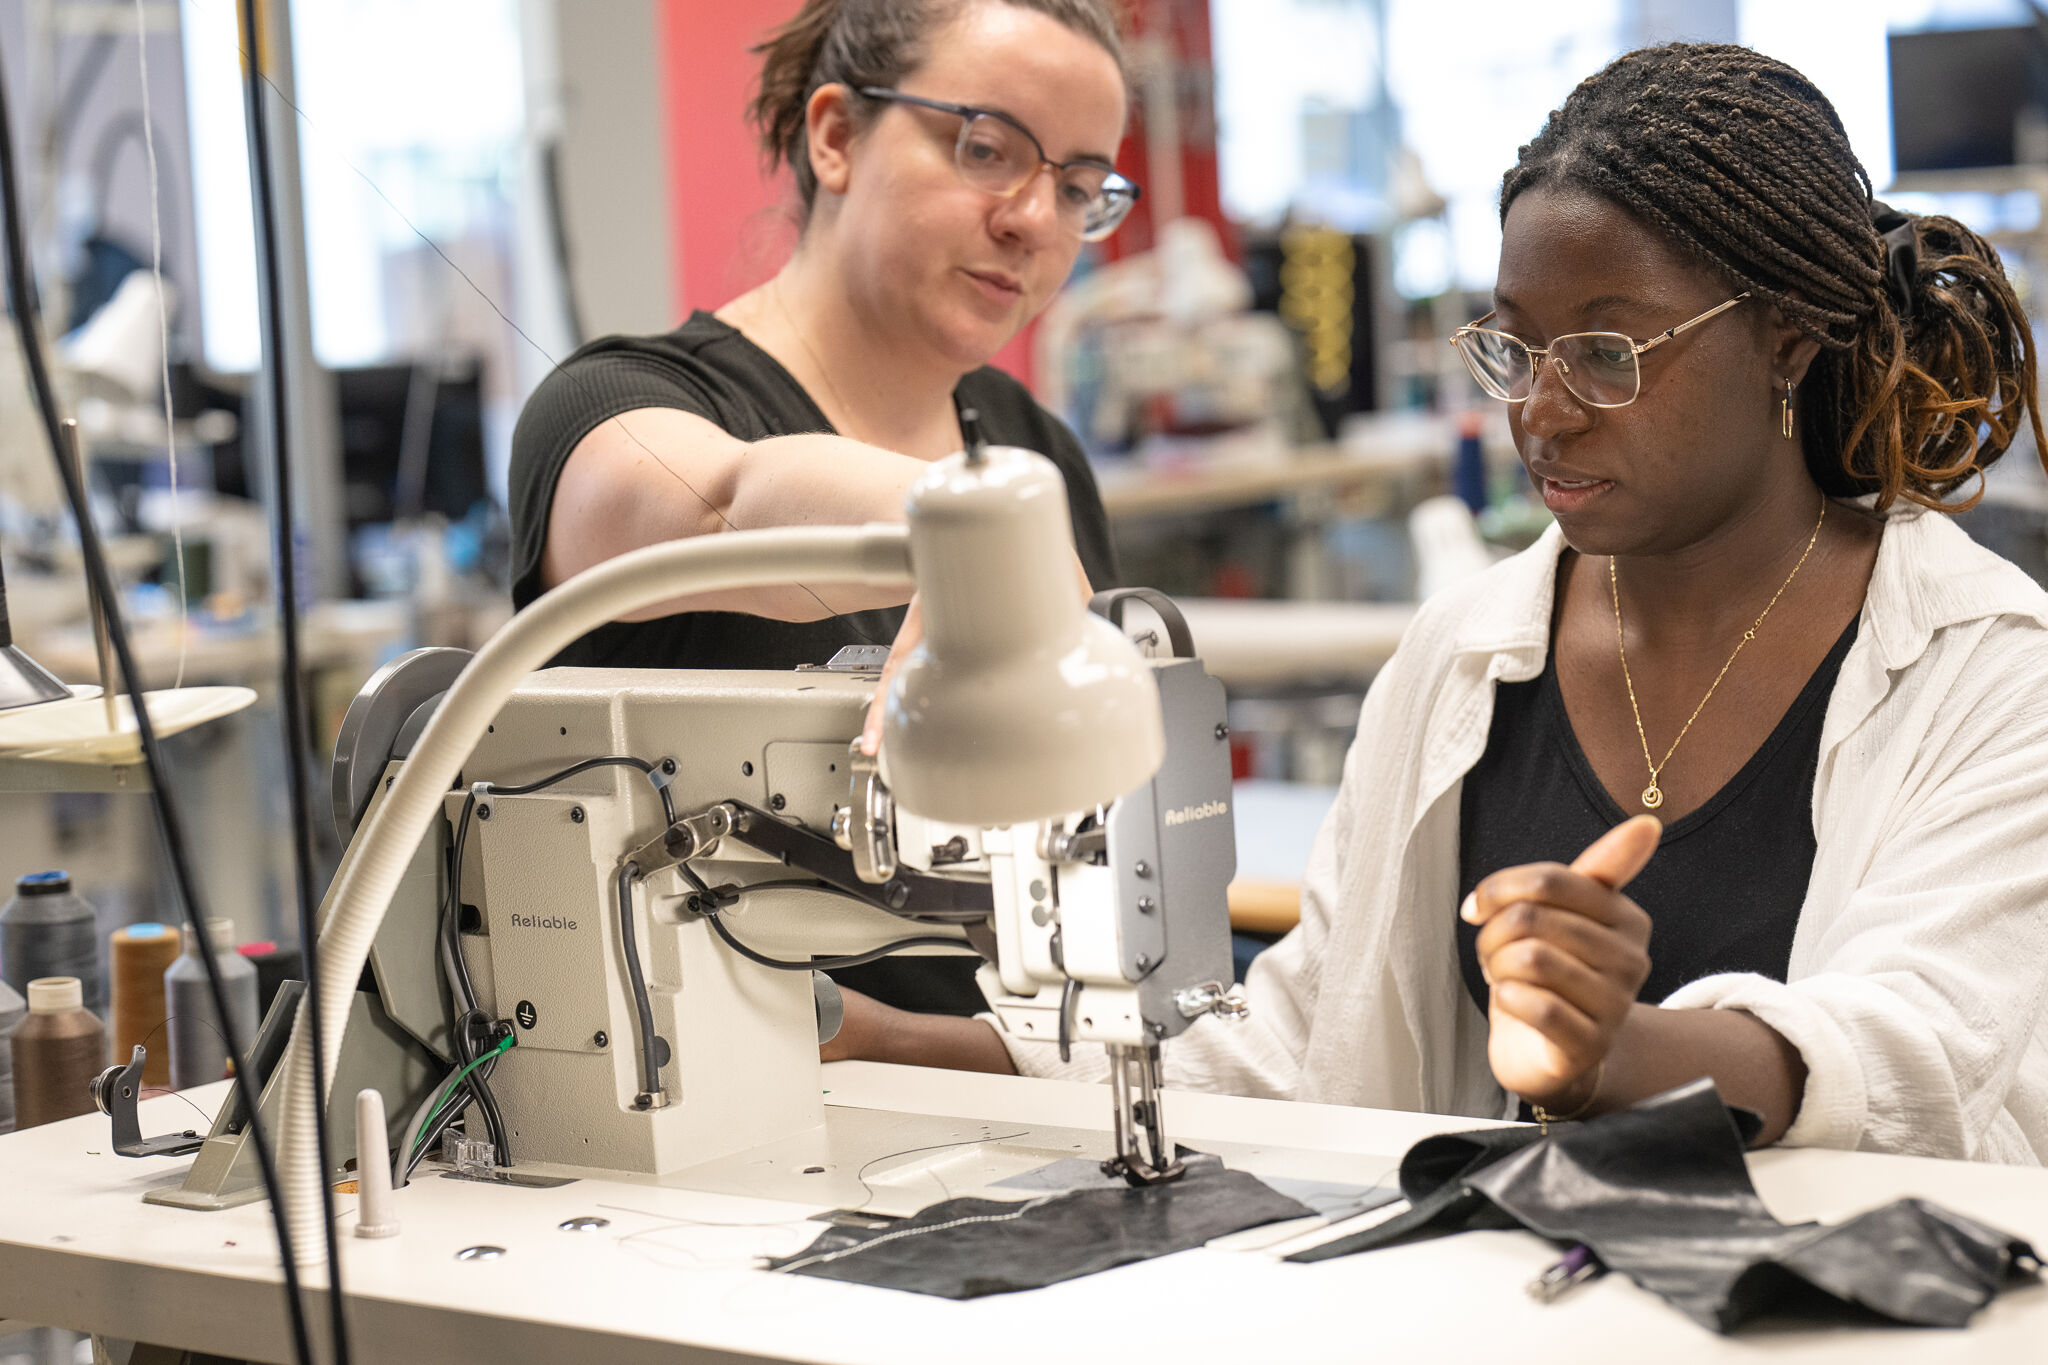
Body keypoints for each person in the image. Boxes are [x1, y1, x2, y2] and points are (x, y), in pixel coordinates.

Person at [827, 43, 2048, 1164]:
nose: (1541, 412)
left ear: (1785, 343)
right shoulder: (1466, 655)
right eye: (1513, 348)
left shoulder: (1986, 667)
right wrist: (888, 1041)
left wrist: (1615, 1056)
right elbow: (1304, 1034)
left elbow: (1915, 1046)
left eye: (1608, 355)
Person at [507, 0, 1136, 1015]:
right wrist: (964, 529)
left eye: (1076, 188)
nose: (1031, 221)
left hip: (989, 1094)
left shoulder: (1031, 450)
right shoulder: (614, 408)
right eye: (985, 149)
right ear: (836, 135)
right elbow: (722, 503)